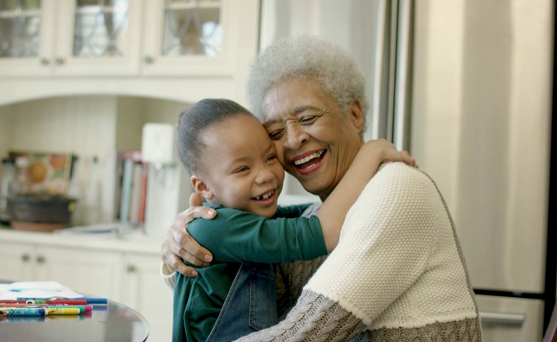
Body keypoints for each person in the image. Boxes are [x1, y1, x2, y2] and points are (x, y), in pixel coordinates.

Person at [163, 35, 482, 341]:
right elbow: (230, 298)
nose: (292, 139)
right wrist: (185, 242)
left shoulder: (397, 188)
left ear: (355, 114)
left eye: (307, 117)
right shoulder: (320, 214)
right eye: (275, 131)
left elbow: (306, 333)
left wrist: (371, 152)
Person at [173, 97, 416, 341]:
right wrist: (371, 153)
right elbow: (323, 230)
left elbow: (309, 214)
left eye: (269, 158)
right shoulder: (215, 228)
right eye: (243, 169)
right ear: (204, 187)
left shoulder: (241, 216)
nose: (265, 175)